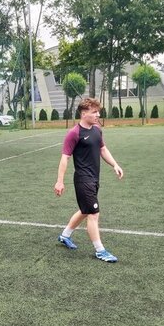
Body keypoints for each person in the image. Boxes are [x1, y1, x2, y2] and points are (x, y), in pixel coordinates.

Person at [54, 97, 124, 263]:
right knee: (93, 213)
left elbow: (103, 149)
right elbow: (65, 158)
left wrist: (115, 164)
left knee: (85, 210)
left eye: (98, 112)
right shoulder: (74, 133)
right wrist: (60, 181)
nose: (98, 115)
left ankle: (65, 236)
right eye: (94, 112)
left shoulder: (97, 130)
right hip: (83, 179)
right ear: (84, 113)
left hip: (94, 178)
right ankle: (100, 251)